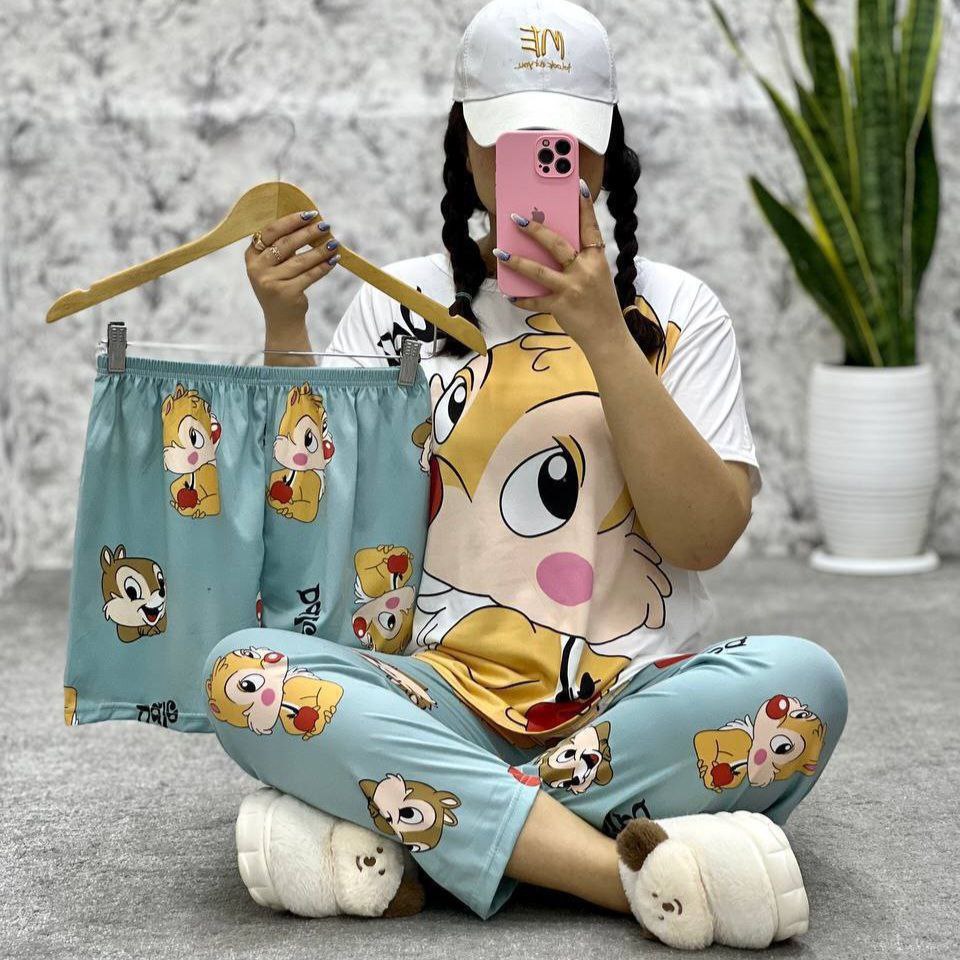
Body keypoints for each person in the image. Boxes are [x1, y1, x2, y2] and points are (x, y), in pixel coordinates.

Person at [210, 0, 847, 931]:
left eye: (565, 146)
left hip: (630, 700)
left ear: (606, 150)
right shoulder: (397, 304)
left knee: (805, 683)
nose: (543, 167)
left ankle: (417, 823)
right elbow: (313, 531)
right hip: (430, 693)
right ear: (465, 146)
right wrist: (285, 327)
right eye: (510, 143)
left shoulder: (678, 311)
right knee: (241, 673)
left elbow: (703, 538)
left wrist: (603, 332)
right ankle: (612, 870)